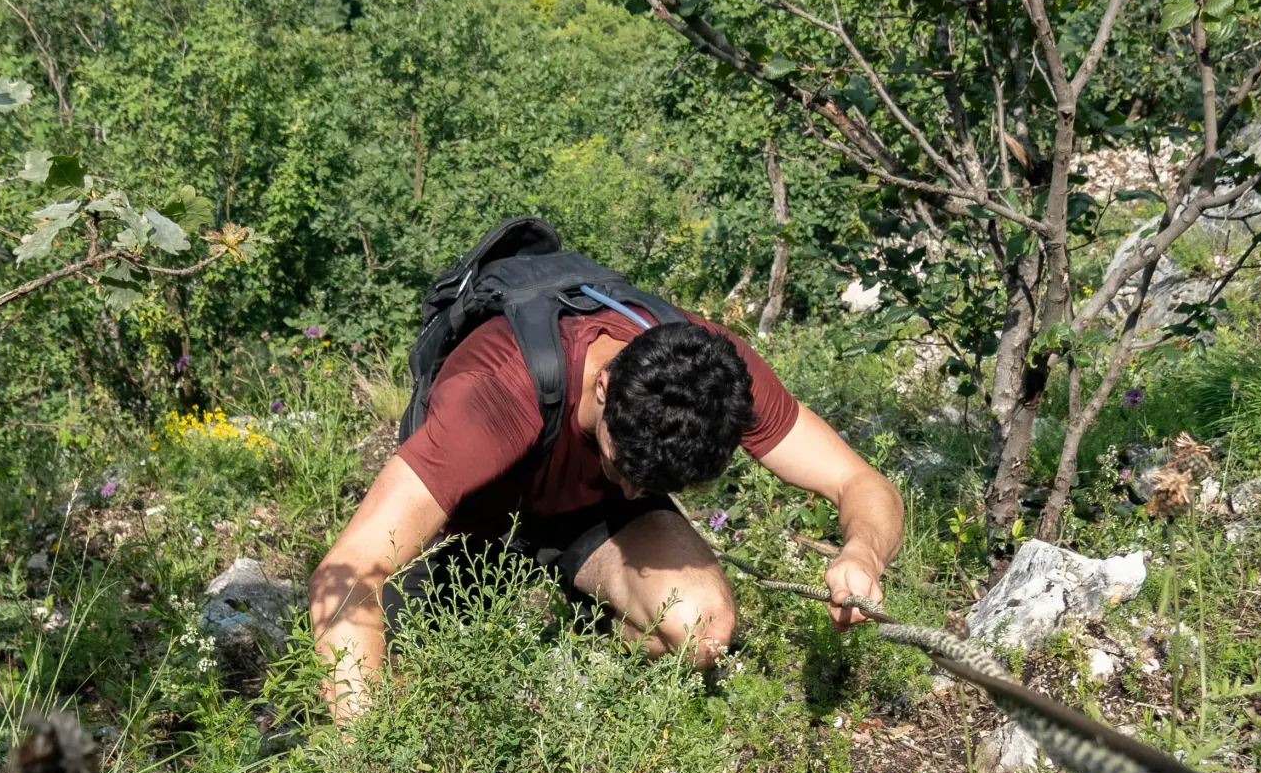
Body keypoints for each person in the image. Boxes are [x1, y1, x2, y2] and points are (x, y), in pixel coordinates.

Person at [308, 255, 904, 723]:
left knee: (701, 630)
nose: (631, 483)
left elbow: (861, 482)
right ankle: (473, 604)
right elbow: (348, 569)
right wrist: (371, 759)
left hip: (591, 521)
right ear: (603, 385)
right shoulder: (496, 396)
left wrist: (862, 553)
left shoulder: (712, 374)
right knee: (384, 673)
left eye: (655, 482)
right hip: (474, 520)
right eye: (623, 462)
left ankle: (581, 645)